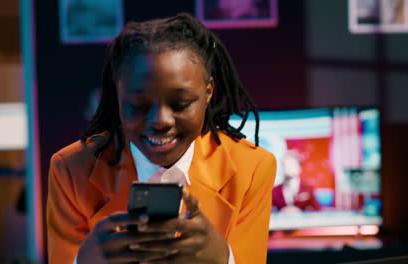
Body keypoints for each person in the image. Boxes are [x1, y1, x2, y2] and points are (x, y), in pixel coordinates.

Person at [47, 13, 276, 264]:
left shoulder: (251, 168)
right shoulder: (71, 169)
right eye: (139, 105)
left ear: (209, 90)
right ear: (117, 94)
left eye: (181, 103)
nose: (160, 120)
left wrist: (223, 258)